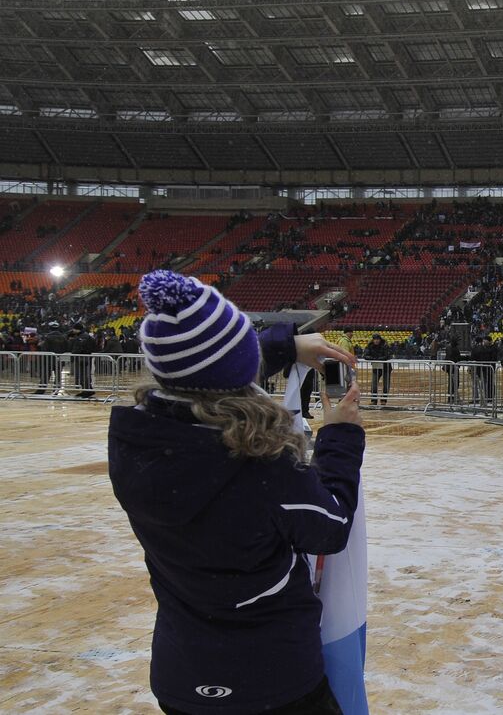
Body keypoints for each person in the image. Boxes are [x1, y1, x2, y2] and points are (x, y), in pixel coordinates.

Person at [108, 270, 363, 715]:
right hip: (272, 680)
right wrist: (339, 436)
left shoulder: (134, 444)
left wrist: (282, 346)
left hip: (182, 675)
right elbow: (331, 527)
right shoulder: (260, 465)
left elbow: (202, 375)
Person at [364, 333, 392, 406]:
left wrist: (378, 359)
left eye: (377, 339)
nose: (376, 341)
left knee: (386, 385)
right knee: (374, 384)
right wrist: (373, 359)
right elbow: (365, 355)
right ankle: (374, 400)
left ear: (380, 339)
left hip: (386, 367)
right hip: (376, 367)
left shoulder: (385, 345)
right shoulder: (370, 345)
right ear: (373, 340)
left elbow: (387, 355)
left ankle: (384, 400)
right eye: (375, 339)